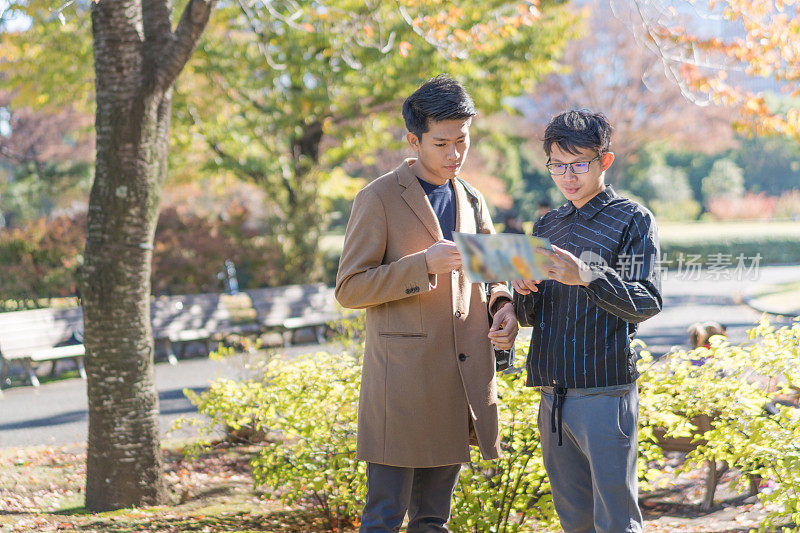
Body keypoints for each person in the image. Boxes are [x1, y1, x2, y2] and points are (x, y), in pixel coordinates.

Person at [335, 75, 518, 533]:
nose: (455, 154)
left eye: (463, 141)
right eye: (442, 143)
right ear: (414, 140)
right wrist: (424, 266)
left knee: (435, 519)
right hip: (403, 385)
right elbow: (350, 288)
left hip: (460, 378)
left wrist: (503, 308)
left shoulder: (472, 198)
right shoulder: (377, 198)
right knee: (383, 517)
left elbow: (494, 270)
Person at [511, 109, 662, 533]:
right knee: (574, 521)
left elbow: (646, 301)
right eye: (558, 165)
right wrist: (523, 290)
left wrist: (588, 277)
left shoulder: (632, 219)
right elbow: (531, 317)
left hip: (604, 393)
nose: (568, 175)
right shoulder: (546, 223)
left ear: (605, 161)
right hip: (552, 393)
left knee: (615, 521)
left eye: (580, 164)